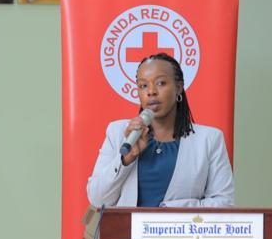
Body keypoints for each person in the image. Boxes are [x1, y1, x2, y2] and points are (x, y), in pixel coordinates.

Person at [87, 53, 234, 208]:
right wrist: (125, 160)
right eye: (143, 85)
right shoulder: (118, 133)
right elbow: (98, 200)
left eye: (161, 83)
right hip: (126, 232)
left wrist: (169, 213)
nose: (151, 92)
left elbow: (224, 203)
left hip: (183, 232)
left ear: (178, 87)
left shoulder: (209, 139)